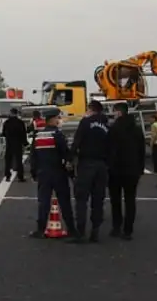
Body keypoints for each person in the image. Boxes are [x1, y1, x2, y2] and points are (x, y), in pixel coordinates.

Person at [29, 109, 75, 239]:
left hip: (43, 173)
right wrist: (70, 168)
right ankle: (71, 229)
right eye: (57, 118)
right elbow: (65, 153)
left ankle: (40, 230)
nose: (59, 120)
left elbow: (33, 156)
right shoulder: (57, 134)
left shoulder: (38, 135)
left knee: (43, 201)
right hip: (58, 172)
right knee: (64, 202)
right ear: (52, 119)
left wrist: (34, 172)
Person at [70, 100, 109, 243]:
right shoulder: (107, 125)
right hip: (102, 166)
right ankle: (95, 231)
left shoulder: (85, 123)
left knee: (81, 199)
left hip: (86, 164)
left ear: (90, 109)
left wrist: (69, 158)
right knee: (98, 199)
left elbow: (76, 142)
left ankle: (80, 232)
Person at [107, 102, 145, 240]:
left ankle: (116, 227)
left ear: (118, 112)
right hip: (132, 170)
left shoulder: (113, 129)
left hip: (116, 170)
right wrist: (140, 169)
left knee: (115, 200)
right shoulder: (136, 129)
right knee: (130, 200)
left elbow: (109, 150)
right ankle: (128, 230)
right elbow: (142, 151)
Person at [1, 108, 27, 182]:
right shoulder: (20, 122)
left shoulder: (7, 122)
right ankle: (20, 176)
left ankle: (7, 176)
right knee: (19, 160)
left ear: (11, 113)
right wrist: (24, 143)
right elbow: (23, 134)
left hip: (9, 143)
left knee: (8, 160)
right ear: (17, 114)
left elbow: (3, 133)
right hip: (18, 143)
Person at [27, 110, 46, 181]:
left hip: (37, 141)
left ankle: (34, 175)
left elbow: (28, 130)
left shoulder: (34, 122)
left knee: (34, 158)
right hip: (45, 140)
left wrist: (31, 123)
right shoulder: (44, 121)